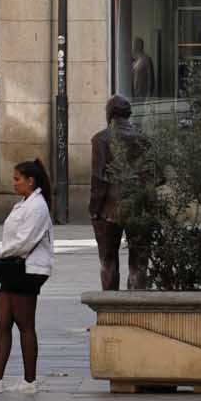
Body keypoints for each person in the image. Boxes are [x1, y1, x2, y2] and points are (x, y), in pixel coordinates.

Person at [0, 159, 56, 396]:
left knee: (24, 324)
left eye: (18, 179)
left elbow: (24, 241)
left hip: (28, 270)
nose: (14, 183)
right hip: (15, 269)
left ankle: (30, 381)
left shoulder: (37, 207)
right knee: (2, 320)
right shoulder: (25, 204)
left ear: (31, 181)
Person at [89, 96, 147, 292]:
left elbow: (99, 178)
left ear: (109, 114)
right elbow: (157, 175)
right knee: (138, 264)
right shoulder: (142, 137)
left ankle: (109, 310)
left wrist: (94, 209)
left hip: (109, 209)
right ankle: (136, 308)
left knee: (108, 261)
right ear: (128, 115)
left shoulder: (101, 139)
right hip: (139, 206)